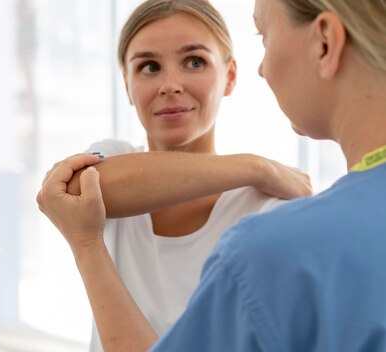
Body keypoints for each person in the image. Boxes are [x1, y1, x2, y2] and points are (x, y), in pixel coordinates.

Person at [37, 0, 386, 350]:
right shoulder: (115, 161)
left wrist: (86, 243)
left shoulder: (265, 223)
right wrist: (254, 165)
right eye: (148, 66)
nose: (170, 84)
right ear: (125, 85)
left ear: (230, 76)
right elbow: (82, 186)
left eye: (194, 61)